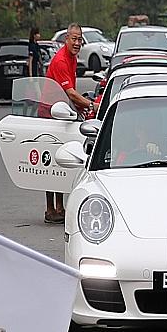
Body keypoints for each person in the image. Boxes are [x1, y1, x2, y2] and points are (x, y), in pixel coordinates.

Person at [44, 23, 93, 224]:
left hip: (62, 111)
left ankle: (59, 207)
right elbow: (71, 93)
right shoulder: (61, 60)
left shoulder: (72, 58)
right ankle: (50, 209)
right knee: (51, 161)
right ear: (66, 39)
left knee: (61, 158)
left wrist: (80, 107)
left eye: (80, 39)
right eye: (74, 39)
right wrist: (91, 105)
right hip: (50, 113)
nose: (77, 43)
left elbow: (70, 93)